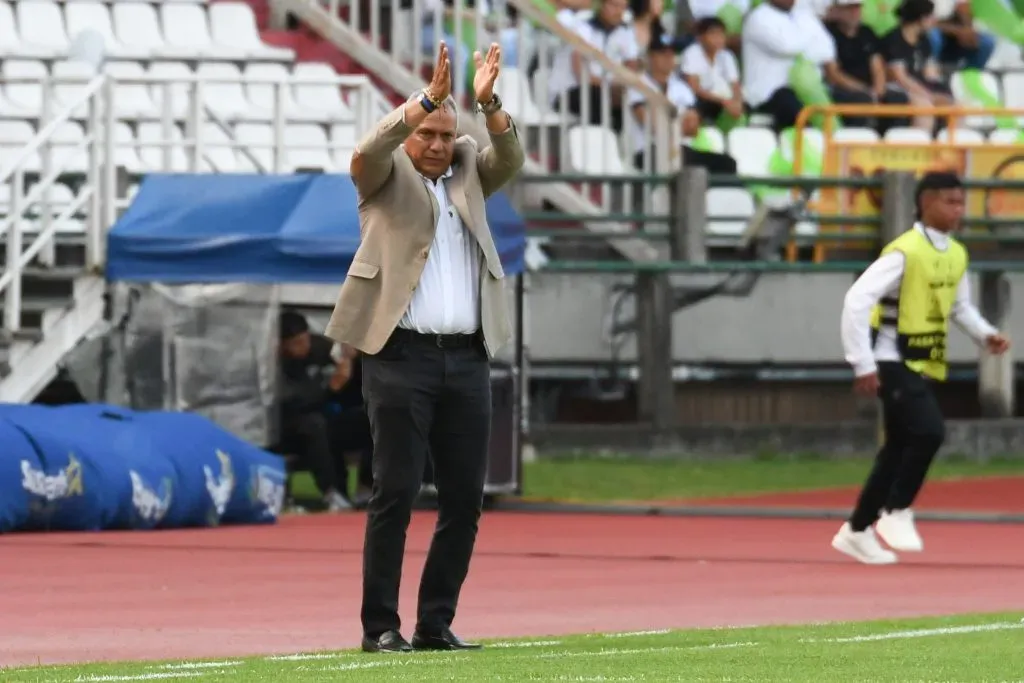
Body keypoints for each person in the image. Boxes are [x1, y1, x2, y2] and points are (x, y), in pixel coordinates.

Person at [325, 42, 524, 653]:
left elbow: (508, 157)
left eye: (446, 132)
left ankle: (435, 623)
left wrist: (486, 102)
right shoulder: (384, 178)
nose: (437, 143)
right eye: (428, 131)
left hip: (467, 356)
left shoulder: (469, 170)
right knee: (396, 491)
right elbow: (369, 150)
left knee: (465, 498)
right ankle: (379, 625)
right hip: (400, 356)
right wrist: (423, 101)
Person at [832, 171, 1011, 565]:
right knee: (929, 431)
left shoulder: (956, 253)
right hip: (891, 359)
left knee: (898, 446)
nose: (957, 210)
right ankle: (895, 511)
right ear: (925, 202)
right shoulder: (905, 251)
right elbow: (856, 300)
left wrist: (986, 335)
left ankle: (858, 529)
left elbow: (959, 306)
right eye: (949, 201)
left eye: (961, 202)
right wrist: (862, 362)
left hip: (922, 360)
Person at [277, 310, 356, 512]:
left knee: (372, 418)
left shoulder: (320, 347)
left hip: (328, 416)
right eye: (297, 343)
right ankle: (331, 492)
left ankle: (367, 487)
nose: (305, 347)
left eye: (305, 340)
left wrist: (353, 360)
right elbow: (295, 402)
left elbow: (346, 369)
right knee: (314, 424)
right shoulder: (276, 366)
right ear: (282, 345)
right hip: (289, 424)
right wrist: (331, 387)